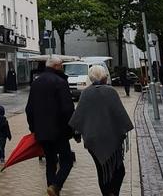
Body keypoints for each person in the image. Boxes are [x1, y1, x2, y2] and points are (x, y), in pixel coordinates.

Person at [69, 64, 133, 196]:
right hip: (112, 137)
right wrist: (123, 129)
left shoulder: (85, 93)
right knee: (119, 171)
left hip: (93, 140)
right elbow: (120, 114)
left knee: (102, 170)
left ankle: (107, 194)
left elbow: (78, 116)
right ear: (104, 76)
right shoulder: (110, 91)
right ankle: (113, 193)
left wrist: (77, 133)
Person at [25, 55, 75, 196]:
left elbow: (29, 109)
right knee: (67, 161)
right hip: (59, 130)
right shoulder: (60, 82)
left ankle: (52, 189)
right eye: (62, 66)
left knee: (50, 162)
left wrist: (33, 128)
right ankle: (56, 185)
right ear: (57, 66)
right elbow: (67, 109)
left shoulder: (36, 82)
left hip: (42, 131)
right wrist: (71, 128)